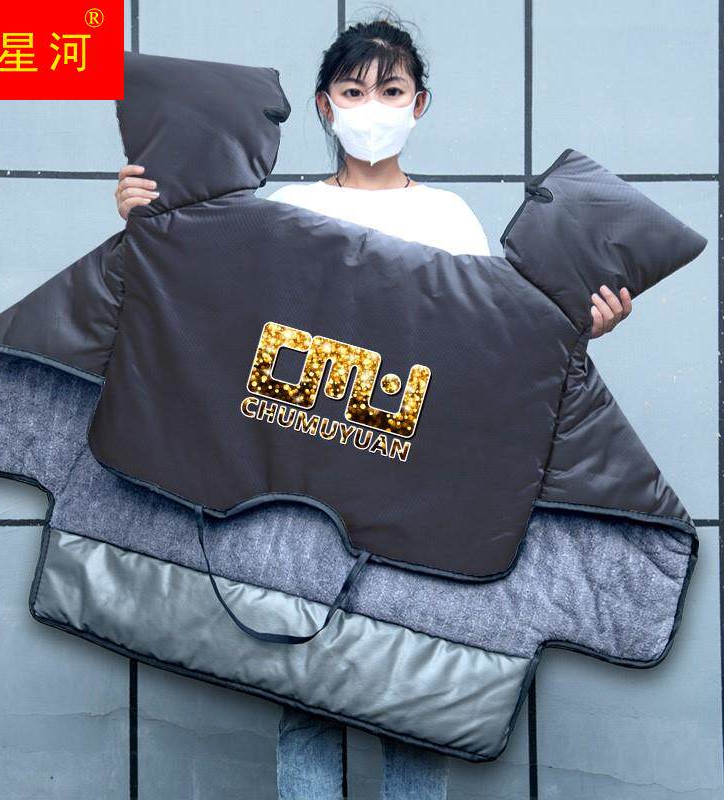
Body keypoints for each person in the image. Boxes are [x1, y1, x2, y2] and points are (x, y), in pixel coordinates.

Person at [114, 13, 632, 799]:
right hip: (297, 485)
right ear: (325, 105)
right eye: (353, 91)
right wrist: (143, 225)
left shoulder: (450, 220)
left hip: (413, 490)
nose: (372, 107)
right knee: (304, 696)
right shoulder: (282, 207)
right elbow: (211, 313)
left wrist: (580, 328)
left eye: (390, 90)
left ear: (418, 104)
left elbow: (498, 358)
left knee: (411, 702)